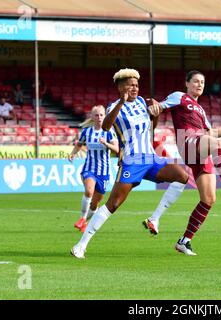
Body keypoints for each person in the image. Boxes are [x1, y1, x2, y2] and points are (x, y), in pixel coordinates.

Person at [71, 68, 189, 259]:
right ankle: (81, 245)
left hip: (150, 158)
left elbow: (152, 125)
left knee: (182, 176)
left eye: (136, 84)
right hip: (131, 161)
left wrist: (156, 111)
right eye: (130, 85)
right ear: (120, 87)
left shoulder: (142, 102)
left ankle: (154, 219)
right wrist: (122, 102)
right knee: (113, 204)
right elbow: (107, 126)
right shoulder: (113, 107)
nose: (135, 88)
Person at [148, 70, 221, 256]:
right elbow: (160, 106)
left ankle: (184, 241)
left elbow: (211, 133)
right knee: (216, 144)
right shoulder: (180, 96)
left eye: (202, 82)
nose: (199, 84)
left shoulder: (201, 111)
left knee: (208, 199)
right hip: (187, 141)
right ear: (187, 83)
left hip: (201, 147)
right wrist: (154, 107)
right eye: (195, 81)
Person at [68, 105, 119, 233]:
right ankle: (82, 219)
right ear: (92, 117)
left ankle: (84, 222)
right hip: (89, 169)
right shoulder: (87, 132)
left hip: (104, 173)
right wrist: (73, 153)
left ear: (105, 116)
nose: (99, 117)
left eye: (101, 115)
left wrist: (106, 144)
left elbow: (117, 149)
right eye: (96, 115)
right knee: (89, 191)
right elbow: (79, 144)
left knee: (94, 205)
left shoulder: (109, 132)